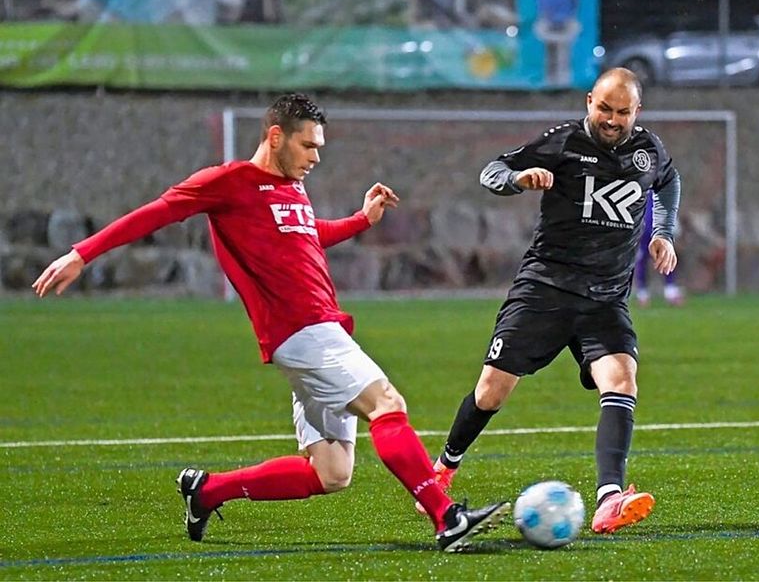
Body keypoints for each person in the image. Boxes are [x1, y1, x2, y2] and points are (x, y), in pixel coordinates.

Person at [32, 93, 509, 553]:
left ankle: (208, 490)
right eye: (309, 145)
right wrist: (81, 253)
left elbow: (307, 234)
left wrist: (361, 220)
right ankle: (446, 517)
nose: (316, 157)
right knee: (387, 403)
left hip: (318, 333)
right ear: (276, 137)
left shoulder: (291, 188)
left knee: (332, 472)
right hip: (302, 330)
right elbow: (155, 214)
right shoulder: (228, 181)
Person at [417, 68, 680, 534]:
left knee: (621, 380)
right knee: (491, 391)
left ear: (636, 112)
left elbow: (668, 181)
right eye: (604, 108)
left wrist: (662, 233)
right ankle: (442, 470)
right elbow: (491, 171)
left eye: (622, 112)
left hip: (605, 298)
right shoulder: (562, 142)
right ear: (588, 102)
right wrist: (519, 178)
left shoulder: (648, 150)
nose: (612, 120)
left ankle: (610, 498)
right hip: (546, 288)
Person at [634, 189, 684, 307]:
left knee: (666, 257)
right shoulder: (640, 187)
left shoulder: (662, 187)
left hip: (659, 230)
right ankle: (642, 294)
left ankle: (670, 291)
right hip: (644, 232)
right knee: (642, 261)